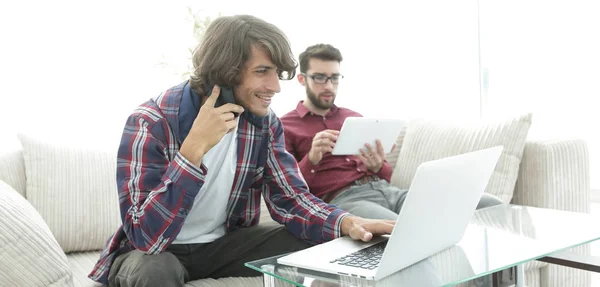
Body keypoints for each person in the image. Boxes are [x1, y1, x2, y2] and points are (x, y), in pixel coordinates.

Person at [87, 16, 396, 287]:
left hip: (224, 246)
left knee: (323, 241)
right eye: (262, 71)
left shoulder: (263, 124)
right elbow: (146, 237)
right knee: (155, 270)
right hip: (157, 253)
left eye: (276, 72)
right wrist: (192, 151)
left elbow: (290, 198)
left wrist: (347, 222)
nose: (275, 86)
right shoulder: (151, 122)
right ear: (225, 72)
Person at [280, 44, 502, 220]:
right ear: (302, 79)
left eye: (334, 77)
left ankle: (494, 277)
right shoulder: (285, 126)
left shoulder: (354, 118)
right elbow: (286, 189)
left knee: (488, 205)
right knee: (401, 231)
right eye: (319, 77)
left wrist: (378, 166)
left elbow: (385, 174)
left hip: (389, 191)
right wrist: (311, 159)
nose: (328, 85)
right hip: (344, 201)